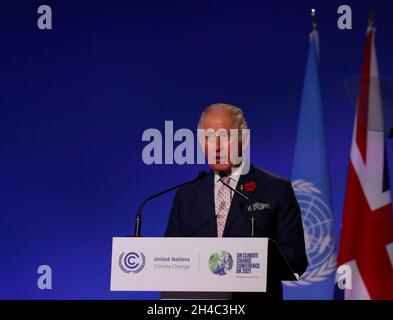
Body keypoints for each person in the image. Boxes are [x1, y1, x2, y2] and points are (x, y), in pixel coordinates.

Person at [165, 103, 308, 299]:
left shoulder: (276, 189)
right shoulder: (187, 194)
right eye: (208, 138)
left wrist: (249, 261)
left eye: (225, 137)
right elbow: (169, 258)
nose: (216, 146)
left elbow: (296, 259)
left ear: (245, 139)